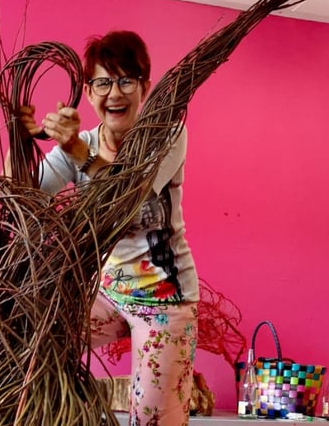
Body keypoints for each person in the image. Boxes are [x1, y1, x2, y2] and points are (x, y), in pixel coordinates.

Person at [15, 30, 199, 426]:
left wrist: (78, 153)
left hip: (164, 301)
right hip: (108, 294)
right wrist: (20, 139)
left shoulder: (166, 135)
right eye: (103, 82)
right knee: (31, 336)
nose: (115, 93)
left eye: (126, 80)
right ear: (88, 91)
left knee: (152, 420)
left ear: (145, 87)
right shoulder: (80, 142)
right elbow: (25, 195)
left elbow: (128, 197)